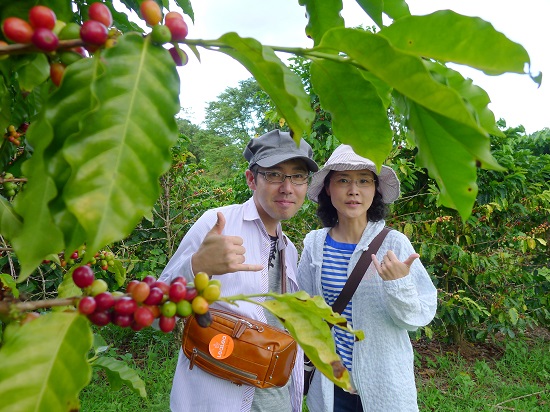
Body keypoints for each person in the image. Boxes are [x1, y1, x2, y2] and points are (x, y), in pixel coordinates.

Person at [158, 129, 318, 412]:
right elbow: (158, 308)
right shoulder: (218, 224)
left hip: (276, 400)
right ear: (251, 179)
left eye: (298, 176)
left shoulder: (289, 249)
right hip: (219, 400)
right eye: (274, 174)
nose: (287, 187)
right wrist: (196, 266)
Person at [297, 144, 437, 412]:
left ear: (376, 189)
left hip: (385, 386)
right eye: (343, 181)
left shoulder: (394, 244)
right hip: (331, 386)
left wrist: (398, 284)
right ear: (328, 188)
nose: (354, 190)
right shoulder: (315, 244)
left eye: (364, 180)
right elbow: (304, 310)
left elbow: (417, 318)